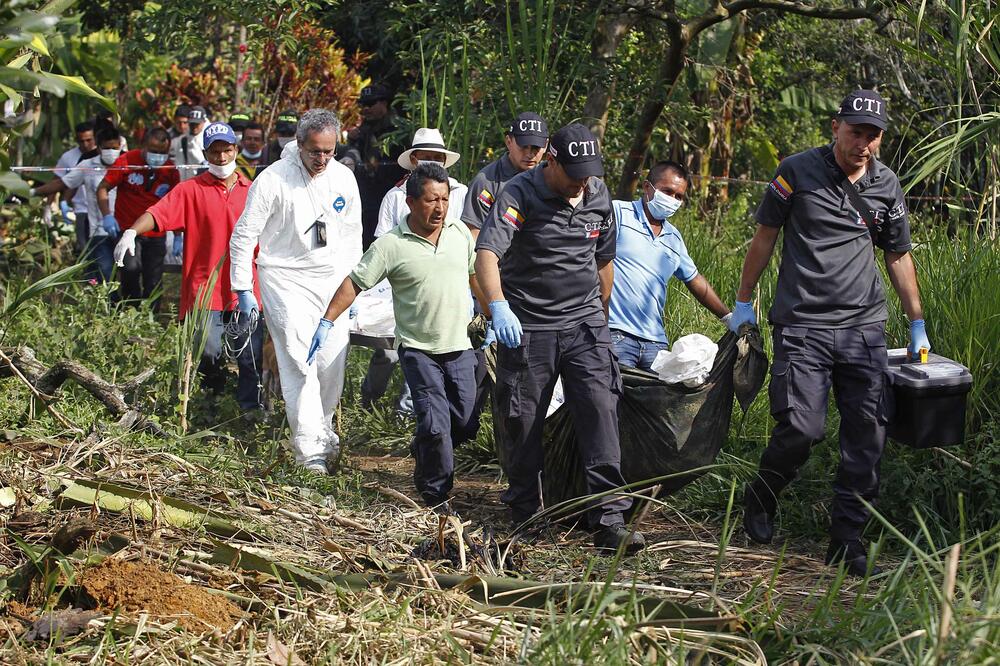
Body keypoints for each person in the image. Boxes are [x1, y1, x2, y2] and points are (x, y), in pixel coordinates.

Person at [728, 90, 929, 576]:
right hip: (802, 326)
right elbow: (764, 239)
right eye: (856, 131)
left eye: (873, 135)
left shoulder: (886, 184)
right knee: (801, 428)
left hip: (865, 329)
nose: (864, 142)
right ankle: (762, 495)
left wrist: (917, 321)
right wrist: (742, 302)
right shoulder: (795, 171)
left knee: (868, 436)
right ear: (835, 126)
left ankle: (847, 539)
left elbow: (897, 255)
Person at [475, 123, 643, 553]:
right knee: (522, 420)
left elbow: (604, 260)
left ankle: (608, 517)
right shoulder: (518, 194)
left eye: (588, 174)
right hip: (529, 328)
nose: (580, 184)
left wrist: (601, 318)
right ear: (551, 159)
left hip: (585, 325)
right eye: (573, 174)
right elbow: (487, 254)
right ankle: (526, 511)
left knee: (601, 409)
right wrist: (498, 305)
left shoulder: (598, 194)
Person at [308, 163, 485, 510]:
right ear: (411, 201)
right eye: (431, 200)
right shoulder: (391, 245)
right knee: (436, 425)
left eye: (445, 199)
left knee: (463, 421)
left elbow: (472, 274)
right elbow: (354, 283)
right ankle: (436, 493)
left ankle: (424, 447)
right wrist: (327, 320)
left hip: (460, 345)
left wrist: (492, 312)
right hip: (418, 349)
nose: (440, 208)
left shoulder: (459, 234)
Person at [229, 108, 362, 474]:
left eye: (329, 151)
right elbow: (243, 236)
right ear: (299, 144)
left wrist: (354, 292)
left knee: (330, 362)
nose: (321, 159)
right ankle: (309, 451)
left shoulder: (343, 179)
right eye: (315, 151)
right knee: (299, 361)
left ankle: (323, 429)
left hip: (332, 280)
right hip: (283, 279)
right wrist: (243, 288)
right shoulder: (273, 179)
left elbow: (352, 239)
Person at [113, 122, 262, 413]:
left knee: (250, 356)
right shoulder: (190, 190)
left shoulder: (253, 191)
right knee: (209, 354)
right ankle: (211, 408)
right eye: (215, 152)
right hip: (205, 289)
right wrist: (132, 230)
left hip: (246, 287)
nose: (221, 158)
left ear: (236, 150)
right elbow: (158, 214)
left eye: (227, 151)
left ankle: (251, 412)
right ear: (205, 153)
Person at [360, 128, 468, 415]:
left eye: (437, 158)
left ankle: (411, 412)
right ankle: (370, 397)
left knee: (430, 350)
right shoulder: (396, 196)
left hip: (448, 287)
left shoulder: (460, 194)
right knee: (388, 352)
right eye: (426, 157)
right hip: (403, 286)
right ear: (414, 159)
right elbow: (382, 245)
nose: (431, 162)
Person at [609, 161, 731, 370]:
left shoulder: (674, 238)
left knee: (657, 402)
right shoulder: (619, 213)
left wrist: (729, 318)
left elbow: (695, 281)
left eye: (679, 196)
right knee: (611, 399)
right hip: (615, 334)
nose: (672, 200)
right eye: (667, 191)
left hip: (655, 343)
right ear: (647, 187)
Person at [96, 127, 179, 310]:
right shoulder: (127, 161)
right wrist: (107, 216)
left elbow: (176, 203)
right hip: (127, 230)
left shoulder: (170, 170)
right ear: (143, 146)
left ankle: (151, 319)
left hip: (157, 234)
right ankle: (130, 311)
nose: (158, 156)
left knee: (154, 279)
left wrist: (178, 234)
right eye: (153, 151)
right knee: (129, 270)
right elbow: (103, 188)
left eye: (162, 153)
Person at [30, 126, 123, 282]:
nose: (111, 152)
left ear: (120, 145)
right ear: (99, 148)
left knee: (129, 272)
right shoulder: (87, 165)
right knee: (106, 272)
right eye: (106, 148)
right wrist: (32, 192)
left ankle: (129, 304)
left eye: (114, 148)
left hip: (126, 227)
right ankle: (109, 304)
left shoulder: (128, 164)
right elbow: (62, 183)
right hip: (100, 228)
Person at [461, 112, 549, 237]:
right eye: (523, 147)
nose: (530, 154)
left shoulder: (551, 178)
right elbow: (473, 233)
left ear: (545, 145)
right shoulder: (486, 182)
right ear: (508, 142)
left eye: (536, 148)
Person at [343, 83, 407, 249]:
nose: (366, 109)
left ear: (384, 104)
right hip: (366, 201)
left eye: (370, 104)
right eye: (363, 105)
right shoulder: (362, 131)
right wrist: (352, 141)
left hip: (392, 197)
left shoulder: (400, 130)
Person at [53, 120, 96, 253]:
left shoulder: (105, 156)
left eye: (89, 140)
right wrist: (50, 207)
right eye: (81, 141)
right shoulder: (68, 157)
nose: (85, 144)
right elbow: (58, 181)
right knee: (85, 251)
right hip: (82, 210)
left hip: (103, 211)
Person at [171, 105, 208, 181]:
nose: (194, 127)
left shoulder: (209, 140)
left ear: (204, 122)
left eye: (197, 124)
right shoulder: (183, 140)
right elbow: (180, 166)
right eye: (192, 124)